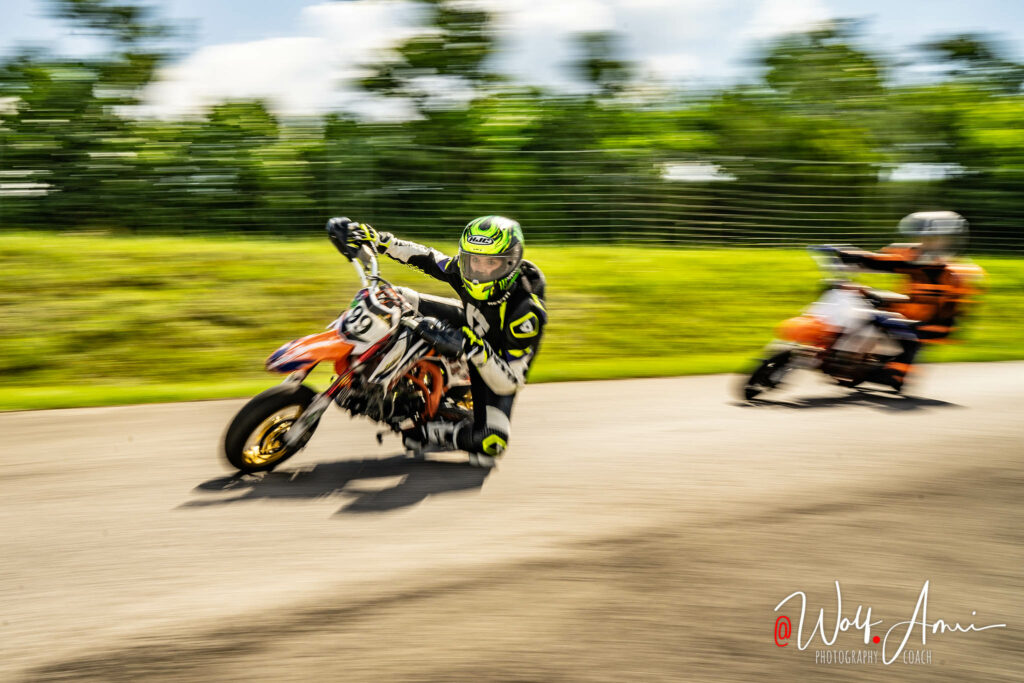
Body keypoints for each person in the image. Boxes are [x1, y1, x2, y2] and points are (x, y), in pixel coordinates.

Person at [326, 215, 547, 466]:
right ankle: (366, 365)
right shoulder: (463, 271)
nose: (479, 271)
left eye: (491, 263)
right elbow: (428, 258)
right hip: (469, 323)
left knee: (491, 443)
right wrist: (378, 240)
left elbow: (511, 382)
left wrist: (474, 348)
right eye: (474, 260)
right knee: (397, 297)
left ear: (510, 263)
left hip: (493, 362)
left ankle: (421, 429)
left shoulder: (526, 313)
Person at [827, 211, 984, 391]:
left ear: (952, 241)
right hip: (908, 312)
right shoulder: (913, 255)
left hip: (935, 324)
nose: (927, 243)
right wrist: (849, 256)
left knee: (884, 323)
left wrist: (891, 302)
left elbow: (943, 309)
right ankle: (842, 353)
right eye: (923, 238)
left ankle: (898, 372)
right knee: (860, 298)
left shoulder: (959, 272)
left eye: (935, 239)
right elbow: (881, 262)